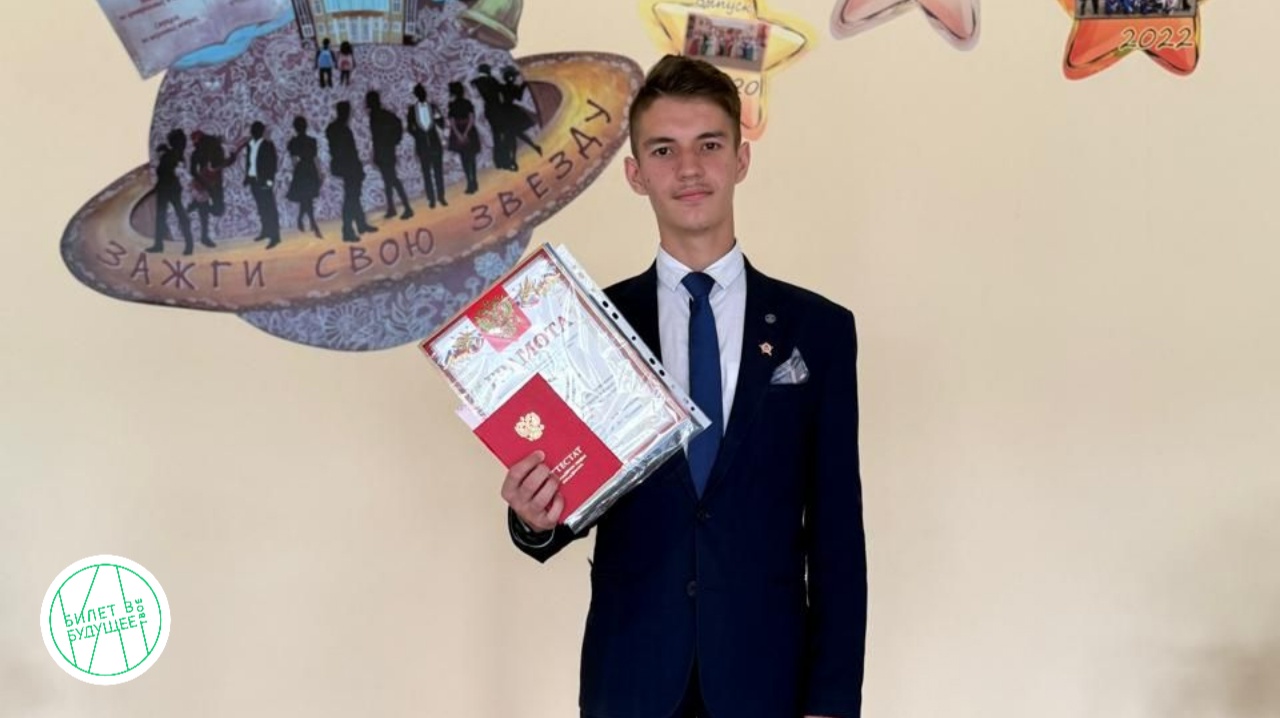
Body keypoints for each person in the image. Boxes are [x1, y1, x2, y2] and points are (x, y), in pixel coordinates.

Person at [500, 55, 867, 718]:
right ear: (636, 173)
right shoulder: (591, 328)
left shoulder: (819, 330)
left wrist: (832, 702)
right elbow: (569, 500)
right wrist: (534, 520)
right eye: (664, 150)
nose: (689, 168)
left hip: (768, 683)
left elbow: (838, 534)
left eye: (709, 145)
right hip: (630, 680)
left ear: (741, 159)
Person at [325, 100, 377, 242]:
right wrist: (356, 168)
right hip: (349, 168)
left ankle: (360, 224)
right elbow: (346, 152)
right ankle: (347, 230)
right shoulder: (339, 129)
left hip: (349, 168)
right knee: (351, 198)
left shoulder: (336, 128)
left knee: (353, 197)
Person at [365, 90, 413, 220]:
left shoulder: (380, 115)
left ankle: (406, 207)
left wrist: (393, 141)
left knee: (392, 180)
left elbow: (394, 127)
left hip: (386, 152)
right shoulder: (377, 115)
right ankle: (393, 207)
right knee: (389, 180)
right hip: (384, 152)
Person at [407, 83, 448, 209]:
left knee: (438, 172)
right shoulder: (412, 110)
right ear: (416, 95)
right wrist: (418, 135)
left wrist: (438, 118)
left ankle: (441, 196)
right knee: (426, 174)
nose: (422, 94)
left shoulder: (433, 107)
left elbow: (442, 124)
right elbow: (409, 127)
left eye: (423, 92)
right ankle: (431, 199)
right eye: (419, 93)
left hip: (435, 144)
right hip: (422, 146)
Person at [244, 121, 281, 248]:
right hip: (253, 180)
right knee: (261, 208)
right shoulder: (250, 145)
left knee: (270, 208)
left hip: (264, 181)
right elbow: (249, 162)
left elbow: (272, 163)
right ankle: (265, 231)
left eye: (256, 130)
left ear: (261, 131)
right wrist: (247, 177)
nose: (253, 132)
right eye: (253, 130)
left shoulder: (268, 145)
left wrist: (270, 180)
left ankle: (275, 236)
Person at [285, 116, 323, 238]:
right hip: (309, 169)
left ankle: (303, 219)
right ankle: (312, 223)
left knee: (306, 198)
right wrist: (319, 172)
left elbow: (294, 160)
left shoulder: (294, 142)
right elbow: (314, 158)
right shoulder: (311, 141)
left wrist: (296, 171)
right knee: (307, 198)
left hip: (302, 170)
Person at [446, 81, 480, 194]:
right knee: (471, 159)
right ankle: (473, 181)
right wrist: (466, 133)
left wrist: (459, 134)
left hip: (459, 131)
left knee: (465, 159)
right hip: (469, 132)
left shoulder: (452, 105)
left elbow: (452, 123)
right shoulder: (467, 103)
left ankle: (471, 183)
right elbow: (471, 119)